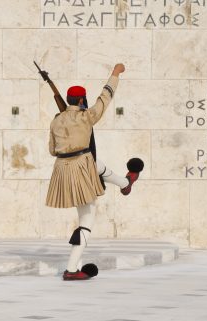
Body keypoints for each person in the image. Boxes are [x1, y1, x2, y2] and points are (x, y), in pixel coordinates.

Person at [46, 63, 144, 281]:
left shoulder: (56, 120)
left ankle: (124, 183)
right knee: (87, 221)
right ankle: (72, 269)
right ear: (81, 101)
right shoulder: (86, 116)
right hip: (82, 167)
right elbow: (104, 98)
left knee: (96, 165)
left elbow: (52, 150)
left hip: (62, 170)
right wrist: (115, 74)